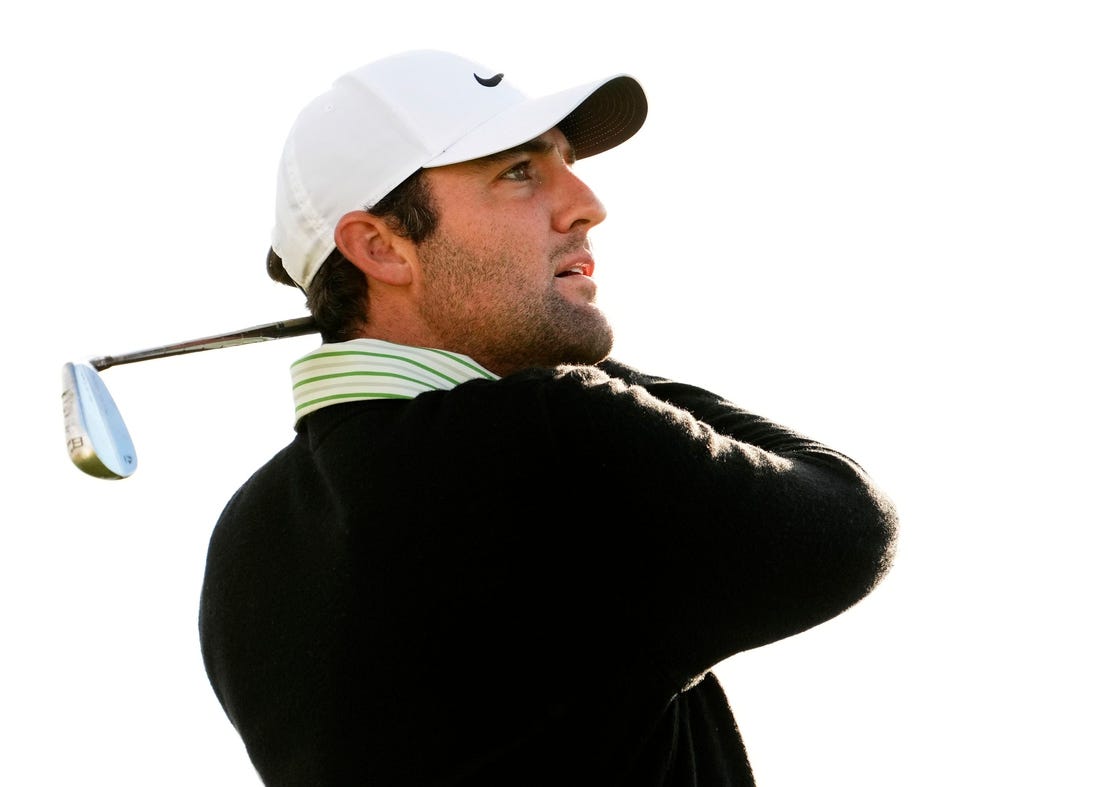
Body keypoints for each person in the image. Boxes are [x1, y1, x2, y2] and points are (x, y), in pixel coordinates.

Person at [198, 49, 898, 786]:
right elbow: (849, 520)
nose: (586, 203)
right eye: (519, 172)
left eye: (564, 161)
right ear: (379, 246)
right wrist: (556, 365)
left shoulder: (247, 535)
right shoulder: (554, 437)